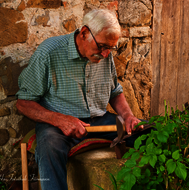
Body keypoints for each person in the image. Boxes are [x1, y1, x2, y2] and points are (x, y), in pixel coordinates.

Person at [16, 9, 147, 190]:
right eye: (101, 46)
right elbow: (23, 103)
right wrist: (59, 119)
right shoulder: (49, 52)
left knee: (150, 132)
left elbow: (114, 92)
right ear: (84, 33)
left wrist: (128, 116)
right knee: (49, 147)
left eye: (111, 48)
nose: (106, 54)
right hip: (57, 125)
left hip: (100, 121)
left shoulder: (104, 55)